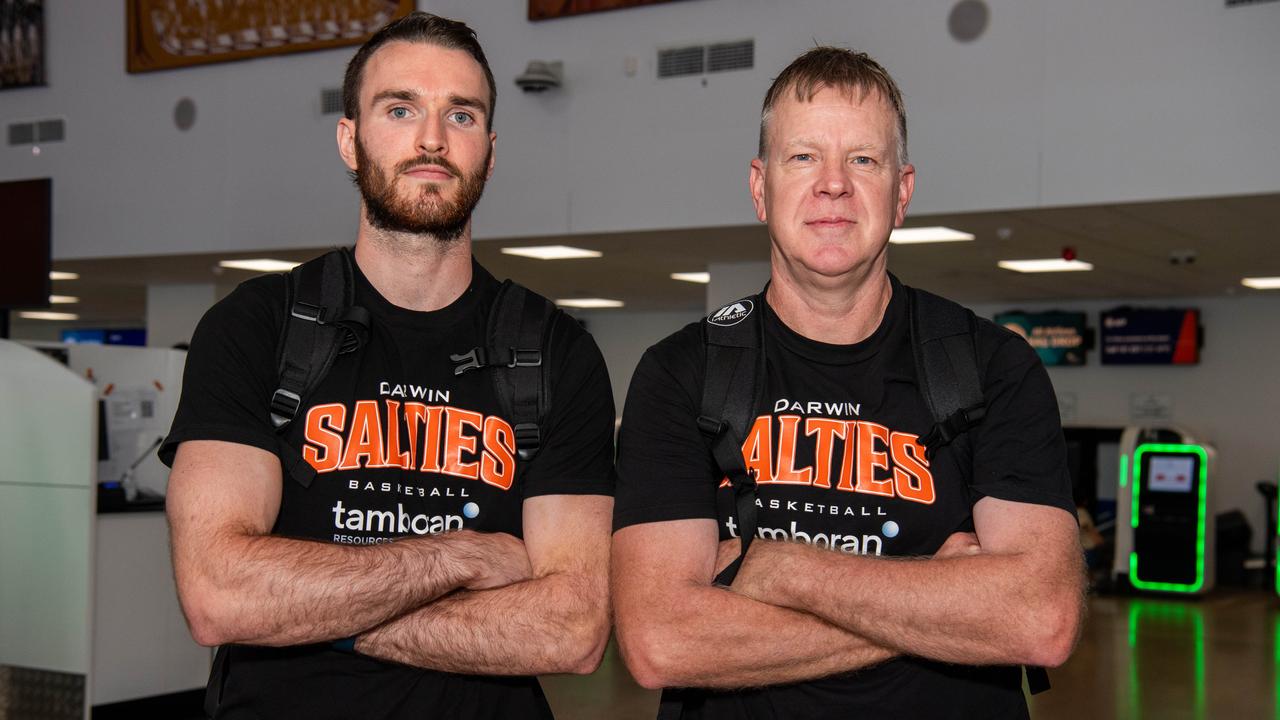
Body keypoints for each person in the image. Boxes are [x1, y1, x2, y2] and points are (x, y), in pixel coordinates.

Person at [160, 12, 615, 720]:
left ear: (489, 153)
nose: (431, 138)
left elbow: (573, 628)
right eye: (400, 108)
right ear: (350, 140)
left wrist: (311, 614)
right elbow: (219, 596)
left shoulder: (556, 350)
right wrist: (459, 558)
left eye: (459, 115)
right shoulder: (258, 326)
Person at [611, 47, 1085, 719]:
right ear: (759, 187)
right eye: (803, 157)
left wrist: (778, 569)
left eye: (863, 159)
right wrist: (944, 602)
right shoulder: (682, 372)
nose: (833, 183)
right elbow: (663, 641)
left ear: (903, 191)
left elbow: (1041, 619)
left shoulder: (991, 368)